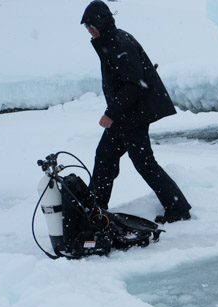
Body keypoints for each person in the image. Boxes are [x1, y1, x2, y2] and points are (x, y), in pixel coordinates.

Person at [80, 0, 192, 224]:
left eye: (91, 27)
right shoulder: (111, 41)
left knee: (142, 161)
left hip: (135, 113)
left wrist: (111, 113)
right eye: (87, 28)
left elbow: (133, 85)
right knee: (105, 155)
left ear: (101, 23)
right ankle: (95, 208)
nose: (90, 32)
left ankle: (178, 207)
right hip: (127, 114)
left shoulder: (120, 45)